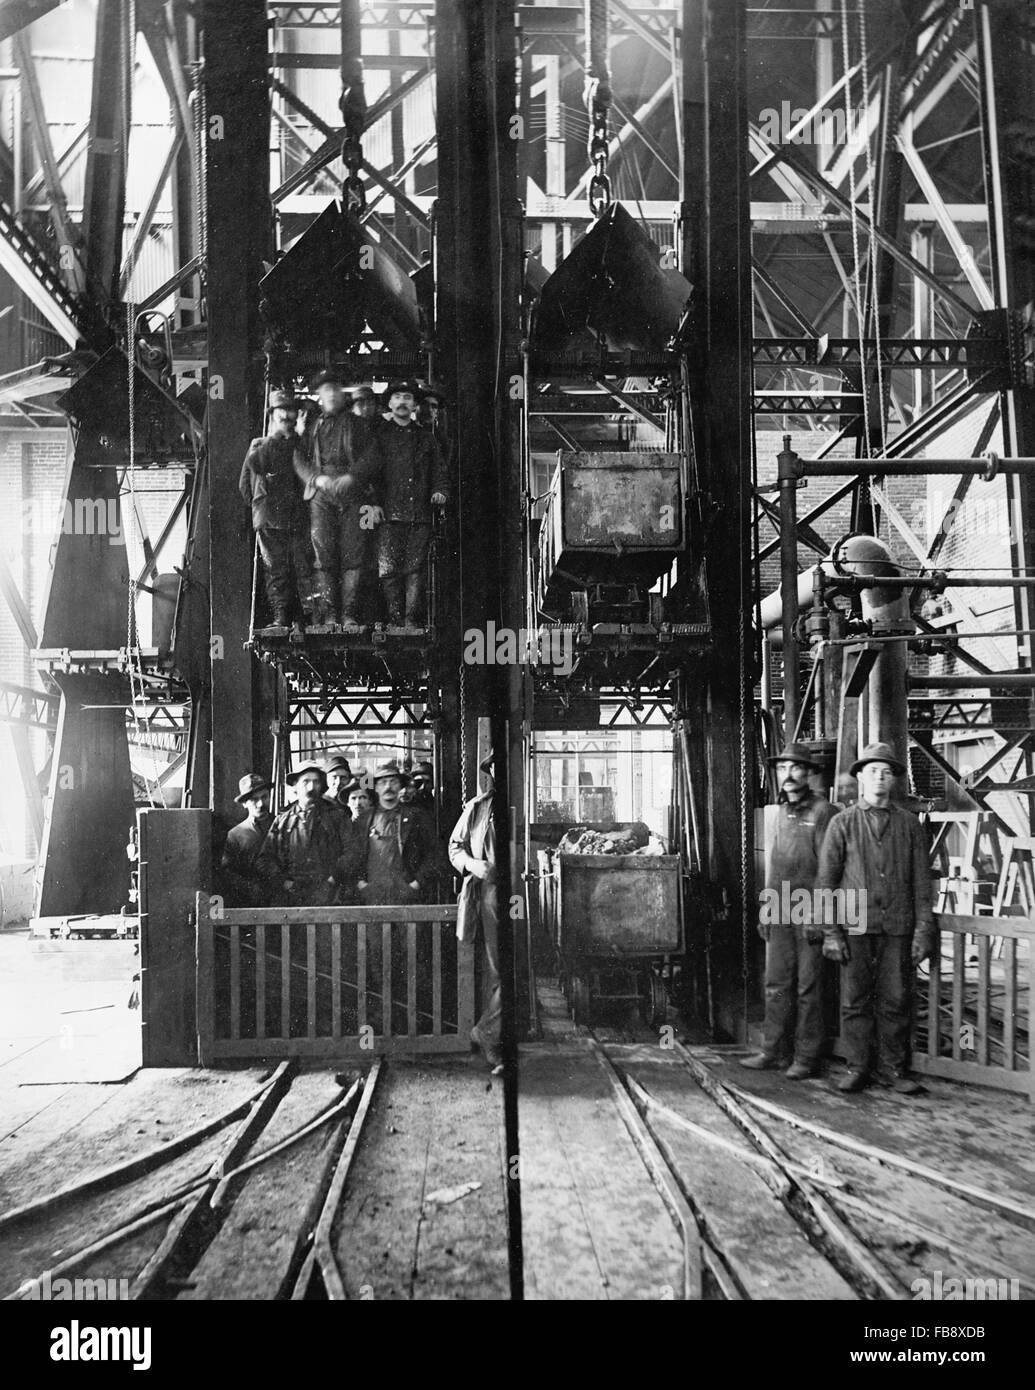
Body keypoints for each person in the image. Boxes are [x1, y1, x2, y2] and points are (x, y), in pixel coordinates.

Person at [815, 742, 936, 1096]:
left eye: (886, 771)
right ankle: (857, 1068)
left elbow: (921, 885)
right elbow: (825, 883)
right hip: (855, 927)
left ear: (894, 779)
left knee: (896, 1000)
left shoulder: (910, 826)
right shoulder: (842, 824)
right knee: (854, 1001)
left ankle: (893, 1070)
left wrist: (922, 931)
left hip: (897, 928)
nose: (879, 776)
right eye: (872, 771)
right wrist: (831, 933)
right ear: (861, 778)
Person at [740, 743, 837, 1079]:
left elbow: (829, 869)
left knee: (809, 988)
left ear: (809, 774)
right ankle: (772, 1050)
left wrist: (820, 917)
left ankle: (806, 1058)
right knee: (775, 982)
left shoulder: (824, 812)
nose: (788, 775)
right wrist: (766, 909)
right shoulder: (780, 813)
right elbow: (774, 865)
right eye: (783, 769)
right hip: (780, 909)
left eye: (796, 769)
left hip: (810, 911)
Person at [294, 368, 383, 628]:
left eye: (335, 389)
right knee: (324, 556)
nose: (331, 394)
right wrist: (315, 478)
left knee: (354, 556)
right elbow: (298, 458)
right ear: (320, 395)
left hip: (353, 495)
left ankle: (349, 616)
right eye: (326, 390)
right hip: (321, 496)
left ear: (342, 394)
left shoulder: (359, 425)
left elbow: (373, 456)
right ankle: (330, 616)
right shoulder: (311, 428)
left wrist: (352, 477)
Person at [374, 379, 448, 627]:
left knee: (415, 570)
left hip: (419, 515)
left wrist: (440, 491)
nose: (403, 402)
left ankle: (410, 621)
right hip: (388, 515)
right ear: (390, 403)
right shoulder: (380, 436)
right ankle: (395, 621)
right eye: (398, 397)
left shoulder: (426, 438)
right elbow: (371, 473)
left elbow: (439, 470)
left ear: (415, 405)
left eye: (407, 397)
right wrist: (374, 503)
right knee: (389, 570)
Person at [239, 389, 312, 633]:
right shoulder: (261, 445)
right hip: (272, 518)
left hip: (291, 516)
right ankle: (284, 617)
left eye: (289, 410)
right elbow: (245, 484)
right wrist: (260, 506)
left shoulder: (299, 444)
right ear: (273, 414)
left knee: (297, 568)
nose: (286, 415)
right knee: (278, 571)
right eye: (281, 410)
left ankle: (301, 617)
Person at [448, 753, 501, 1072]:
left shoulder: (525, 803)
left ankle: (490, 1033)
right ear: (491, 772)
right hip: (492, 894)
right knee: (499, 971)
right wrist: (473, 864)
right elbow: (455, 847)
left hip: (525, 895)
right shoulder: (478, 807)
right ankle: (490, 1037)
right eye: (495, 767)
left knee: (515, 971)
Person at [340, 760, 439, 905]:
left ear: (400, 786)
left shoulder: (416, 816)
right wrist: (361, 884)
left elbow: (434, 854)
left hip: (407, 895)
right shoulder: (364, 820)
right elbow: (353, 855)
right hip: (373, 895)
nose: (388, 786)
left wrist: (416, 884)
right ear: (376, 788)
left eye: (393, 781)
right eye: (383, 782)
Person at [257, 761, 350, 906]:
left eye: (316, 782)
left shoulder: (336, 817)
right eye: (306, 781)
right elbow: (264, 859)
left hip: (329, 896)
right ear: (295, 785)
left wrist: (333, 878)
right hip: (291, 897)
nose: (311, 787)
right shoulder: (283, 821)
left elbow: (352, 852)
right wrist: (284, 882)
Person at [221, 773, 274, 906]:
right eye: (254, 800)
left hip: (282, 900)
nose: (261, 803)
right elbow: (228, 873)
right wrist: (251, 889)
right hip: (251, 903)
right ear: (244, 803)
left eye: (264, 797)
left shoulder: (283, 825)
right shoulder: (235, 835)